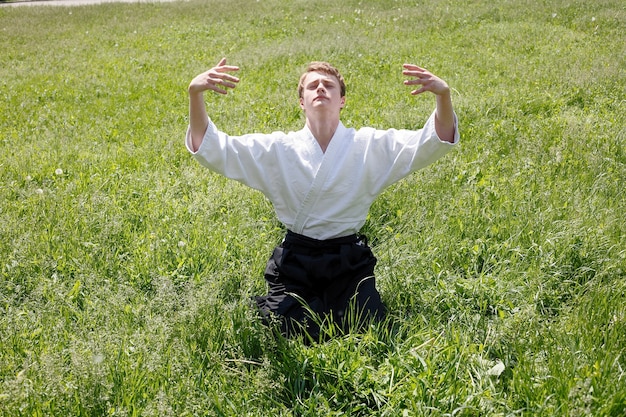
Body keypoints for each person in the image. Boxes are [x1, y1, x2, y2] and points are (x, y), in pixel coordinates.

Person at [187, 58, 459, 340]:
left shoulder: (367, 145)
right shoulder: (278, 149)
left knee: (366, 325)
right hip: (297, 260)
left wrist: (443, 95)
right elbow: (216, 149)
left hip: (347, 259)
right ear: (302, 102)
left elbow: (430, 142)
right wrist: (195, 95)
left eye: (328, 86)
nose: (320, 89)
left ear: (341, 100)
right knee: (291, 330)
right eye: (312, 86)